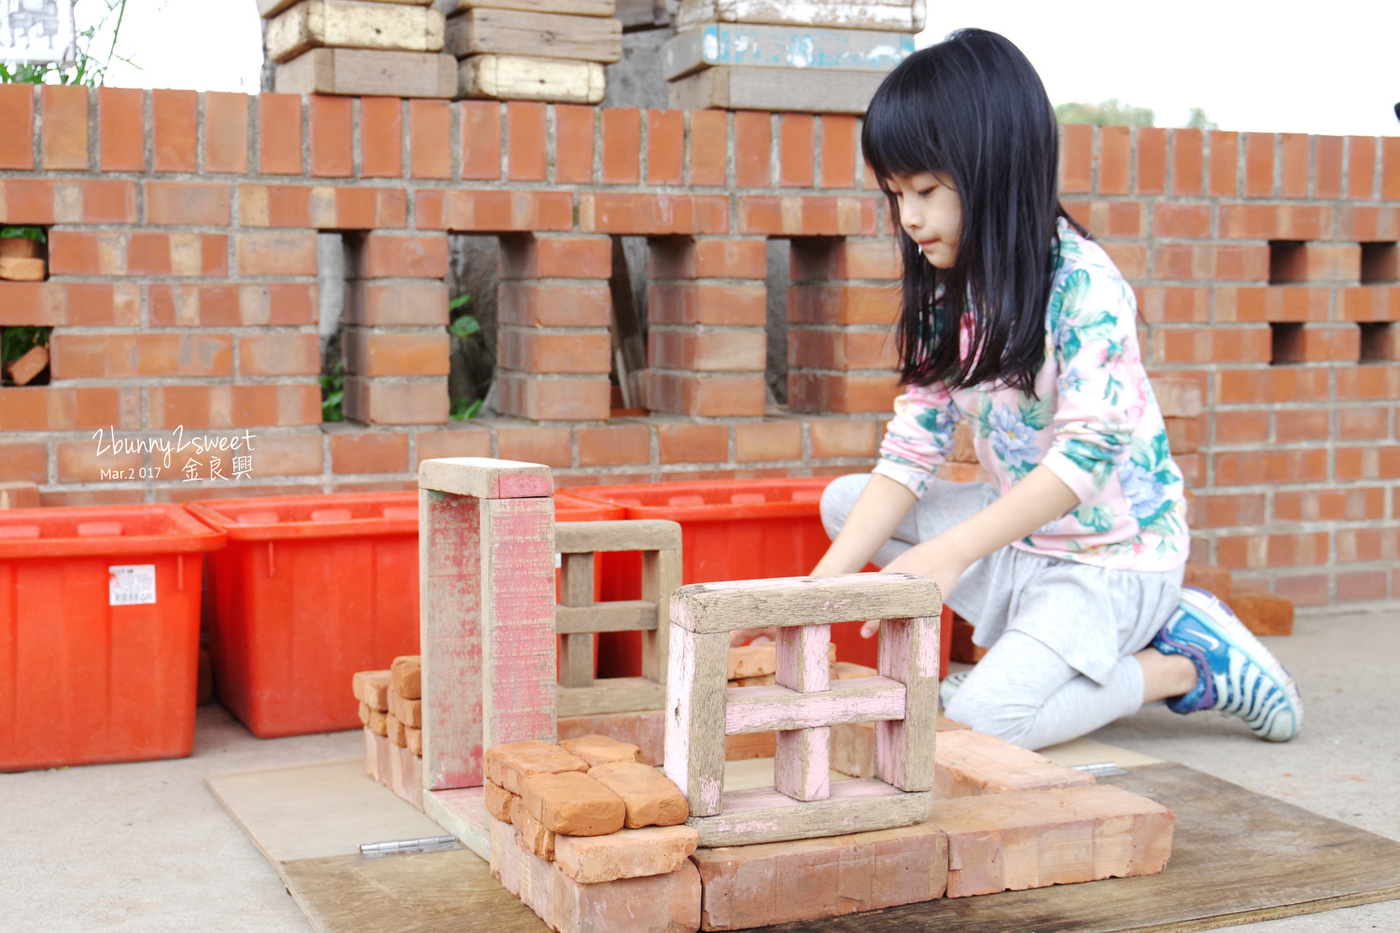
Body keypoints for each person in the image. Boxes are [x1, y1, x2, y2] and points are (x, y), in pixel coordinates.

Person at [814, 29, 1302, 750]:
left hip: (1109, 558)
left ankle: (1181, 661)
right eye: (895, 195)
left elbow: (1087, 457)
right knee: (845, 505)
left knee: (980, 726)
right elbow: (913, 446)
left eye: (923, 191)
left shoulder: (1085, 285)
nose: (909, 217)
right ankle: (1033, 648)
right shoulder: (948, 294)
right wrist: (813, 594)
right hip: (1024, 537)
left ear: (995, 170)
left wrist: (951, 554)